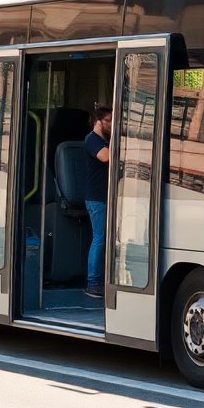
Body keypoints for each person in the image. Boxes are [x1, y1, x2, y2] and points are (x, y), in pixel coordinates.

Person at [84, 106, 112, 299]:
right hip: (96, 198)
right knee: (99, 239)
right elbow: (106, 157)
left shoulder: (104, 140)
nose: (111, 124)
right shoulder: (92, 140)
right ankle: (93, 283)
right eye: (109, 121)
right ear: (98, 121)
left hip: (104, 197)